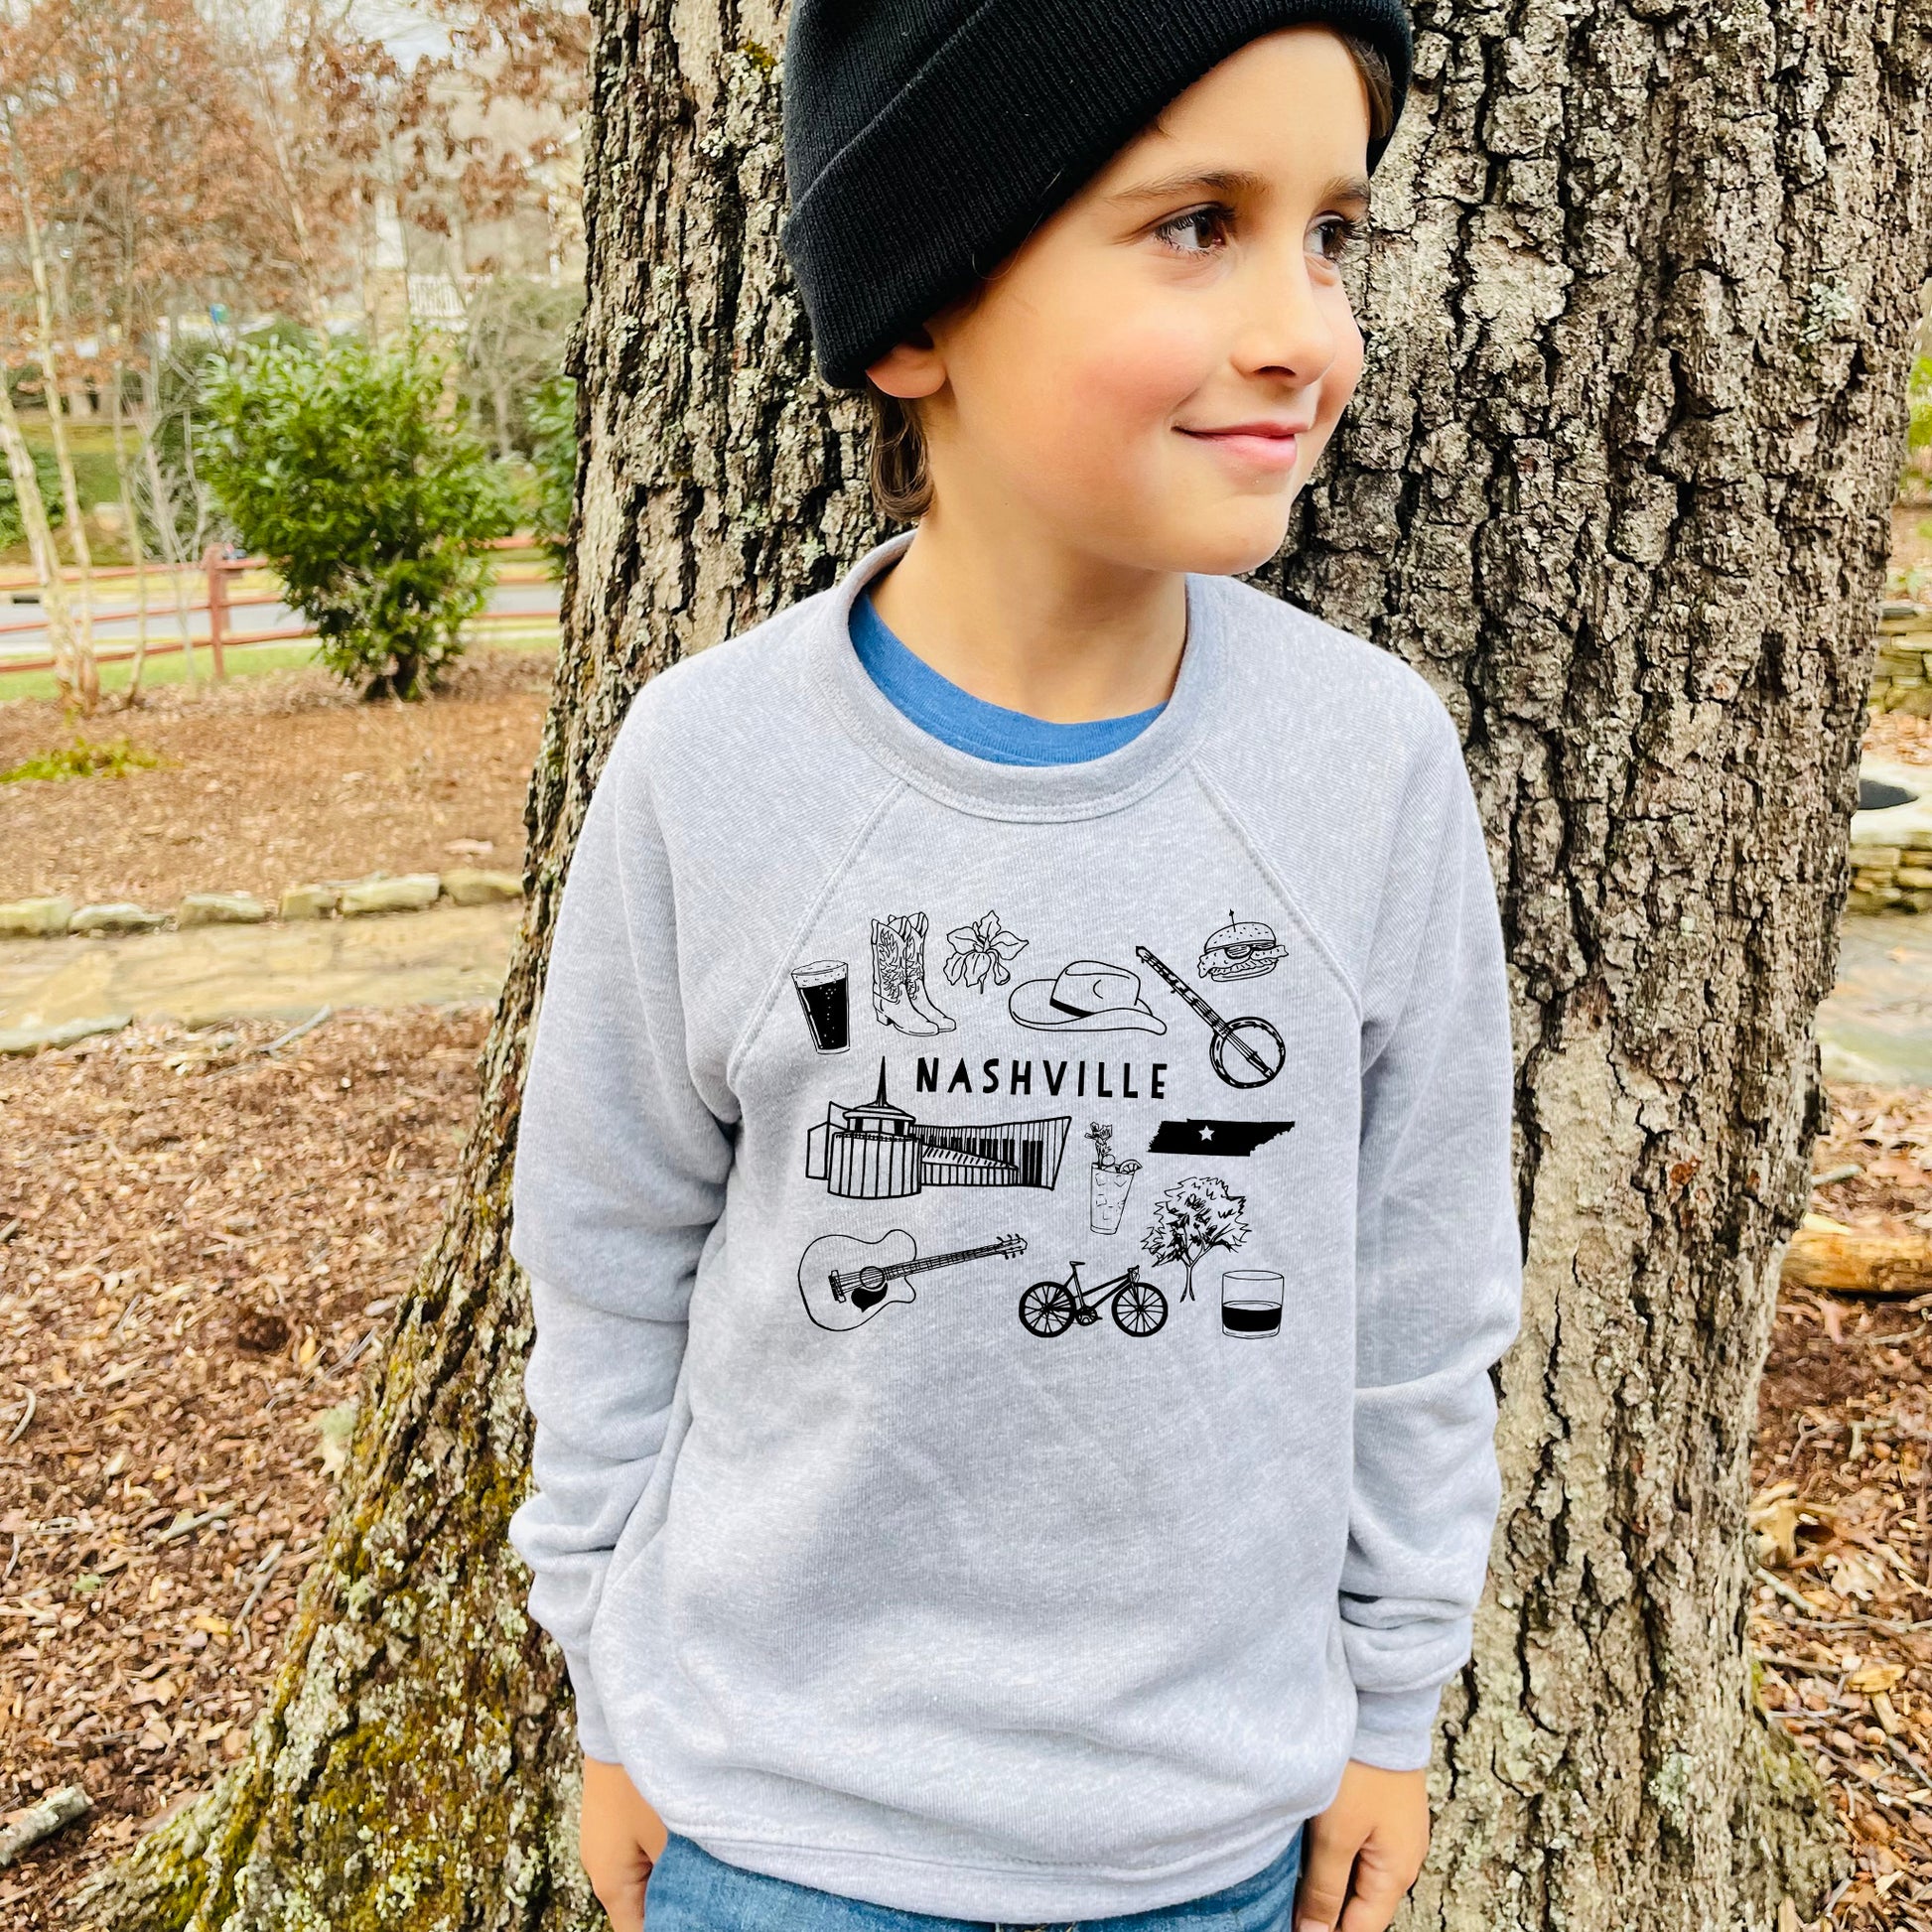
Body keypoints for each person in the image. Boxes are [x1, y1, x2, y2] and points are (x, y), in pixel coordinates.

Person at [507, 2, 1524, 1928]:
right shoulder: (711, 768)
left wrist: (1390, 1705)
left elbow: (1421, 1292)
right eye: (1191, 223)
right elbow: (607, 1250)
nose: (1304, 331)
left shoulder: (1366, 763)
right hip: (770, 1829)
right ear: (918, 311)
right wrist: (612, 1690)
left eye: (1331, 231)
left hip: (1209, 1842)